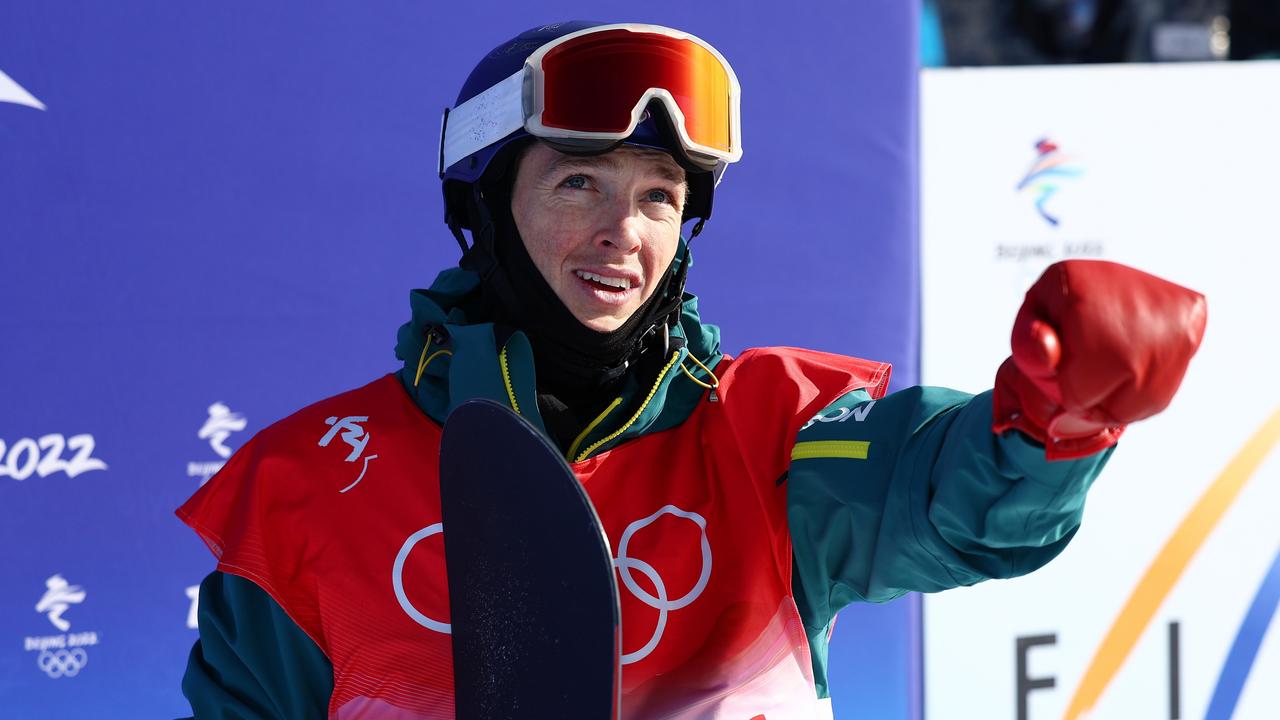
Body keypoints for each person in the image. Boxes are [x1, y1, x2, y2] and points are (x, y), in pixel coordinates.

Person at [176, 21, 1206, 719]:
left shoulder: (768, 435)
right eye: (577, 181)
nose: (622, 231)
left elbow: (941, 500)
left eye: (660, 194)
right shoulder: (307, 489)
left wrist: (1045, 426)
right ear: (483, 209)